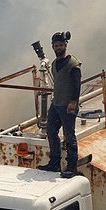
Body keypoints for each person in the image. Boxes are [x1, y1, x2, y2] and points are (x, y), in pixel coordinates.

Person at [38, 31, 82, 178]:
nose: (58, 47)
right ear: (52, 46)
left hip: (68, 105)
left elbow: (77, 85)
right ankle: (54, 163)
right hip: (56, 104)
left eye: (61, 45)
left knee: (69, 135)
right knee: (51, 131)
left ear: (65, 45)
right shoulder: (55, 64)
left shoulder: (73, 64)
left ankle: (71, 167)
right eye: (56, 45)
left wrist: (73, 102)